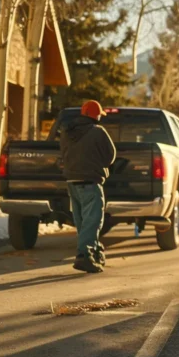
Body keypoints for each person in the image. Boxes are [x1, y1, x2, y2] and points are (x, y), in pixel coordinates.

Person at [59, 100, 116, 273]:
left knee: (82, 221)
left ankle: (94, 251)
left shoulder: (67, 132)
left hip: (72, 182)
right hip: (91, 182)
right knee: (93, 221)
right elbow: (110, 156)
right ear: (95, 115)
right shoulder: (98, 132)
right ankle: (84, 255)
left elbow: (63, 153)